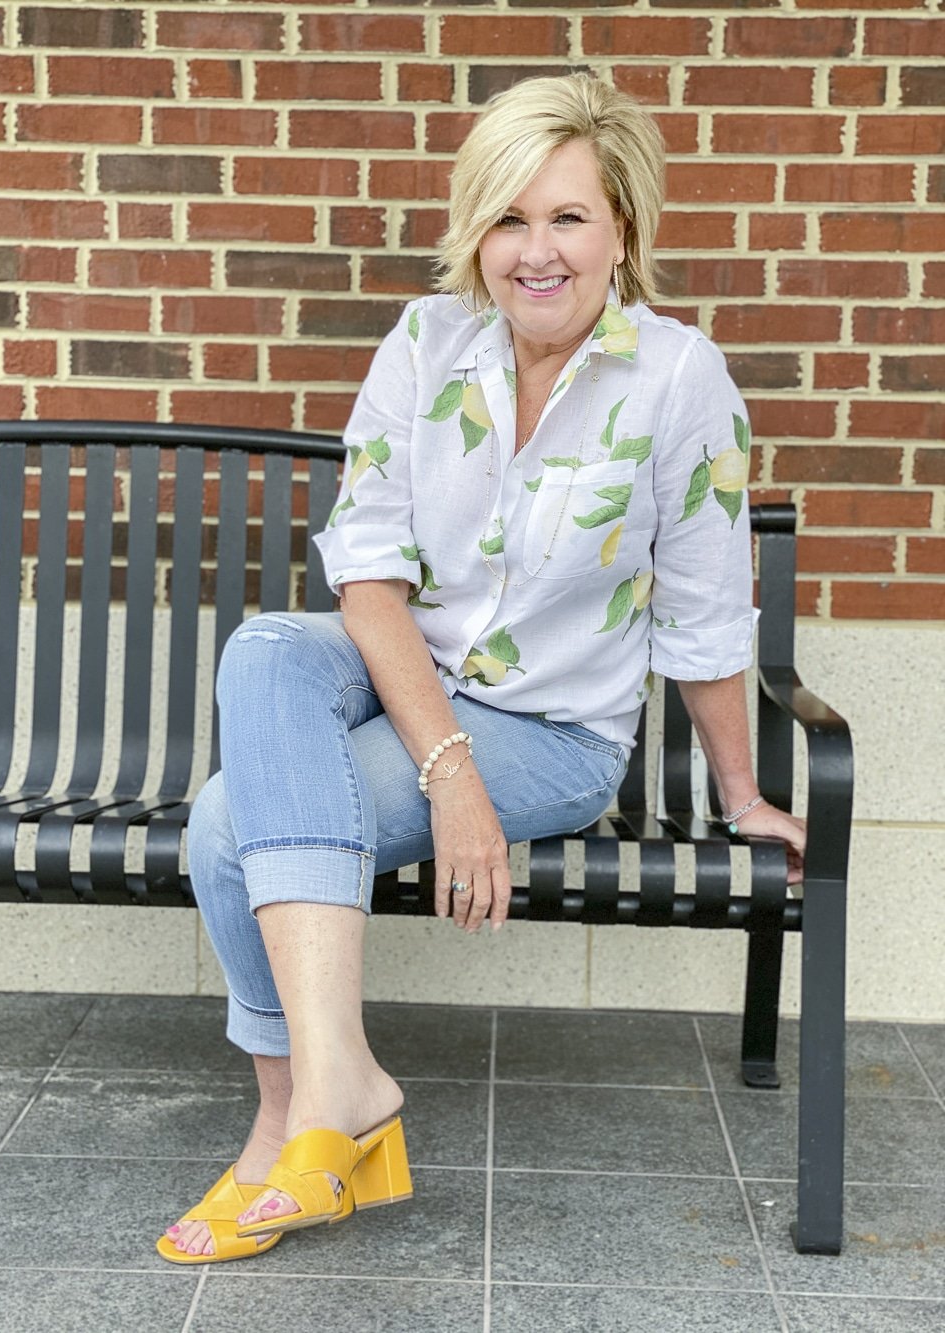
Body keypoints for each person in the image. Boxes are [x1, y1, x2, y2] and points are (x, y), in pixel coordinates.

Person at [157, 72, 805, 1264]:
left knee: (220, 823)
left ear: (623, 230)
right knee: (266, 649)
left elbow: (711, 612)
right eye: (509, 218)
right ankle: (332, 1091)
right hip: (409, 677)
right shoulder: (427, 341)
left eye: (568, 216)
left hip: (552, 734)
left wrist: (741, 795)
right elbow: (366, 571)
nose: (536, 250)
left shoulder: (676, 380)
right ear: (476, 234)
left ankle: (288, 1123)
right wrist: (448, 774)